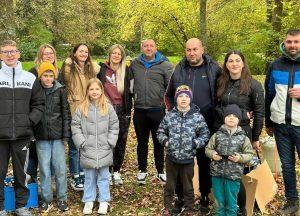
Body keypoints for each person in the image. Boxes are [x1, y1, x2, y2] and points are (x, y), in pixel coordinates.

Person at [165, 38, 221, 213]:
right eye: (188, 50)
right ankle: (180, 197)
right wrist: (174, 116)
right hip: (182, 127)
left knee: (204, 163)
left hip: (207, 125)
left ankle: (204, 196)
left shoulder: (214, 69)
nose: (192, 53)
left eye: (195, 49)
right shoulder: (180, 69)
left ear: (202, 49)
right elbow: (168, 95)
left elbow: (224, 94)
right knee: (181, 163)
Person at [215, 50, 264, 215]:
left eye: (237, 61)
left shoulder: (253, 85)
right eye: (230, 61)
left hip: (242, 133)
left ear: (243, 63)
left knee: (238, 173)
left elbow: (259, 112)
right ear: (226, 64)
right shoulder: (221, 82)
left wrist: (256, 137)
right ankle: (225, 205)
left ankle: (241, 208)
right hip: (222, 133)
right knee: (223, 171)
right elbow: (216, 107)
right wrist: (236, 113)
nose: (234, 64)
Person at [0, 40, 45, 216]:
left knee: (22, 174)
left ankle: (22, 206)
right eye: (5, 52)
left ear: (19, 54)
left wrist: (29, 121)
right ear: (1, 55)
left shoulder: (29, 78)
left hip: (23, 135)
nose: (10, 54)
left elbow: (39, 104)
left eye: (13, 51)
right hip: (0, 136)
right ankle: (1, 207)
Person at [157, 85, 210, 216]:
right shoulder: (170, 115)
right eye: (180, 96)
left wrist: (196, 143)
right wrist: (166, 141)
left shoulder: (197, 117)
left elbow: (205, 133)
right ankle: (168, 207)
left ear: (190, 99)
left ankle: (189, 208)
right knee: (170, 185)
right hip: (171, 157)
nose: (184, 98)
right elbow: (160, 131)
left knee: (188, 186)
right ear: (176, 99)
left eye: (187, 96)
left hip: (188, 158)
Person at [265, 29, 300, 215]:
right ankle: (292, 201)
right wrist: (268, 122)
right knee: (287, 166)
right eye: (289, 42)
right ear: (284, 43)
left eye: (296, 42)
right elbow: (269, 94)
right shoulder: (275, 65)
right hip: (280, 125)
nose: (292, 45)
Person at [71, 78, 119, 215]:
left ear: (101, 90)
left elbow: (114, 125)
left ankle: (104, 200)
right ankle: (89, 200)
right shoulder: (82, 108)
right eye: (91, 89)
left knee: (104, 176)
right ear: (87, 91)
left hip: (104, 148)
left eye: (97, 89)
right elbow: (75, 126)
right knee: (89, 177)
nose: (94, 92)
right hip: (88, 149)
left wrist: (110, 141)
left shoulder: (107, 107)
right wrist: (81, 142)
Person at [130, 39, 173, 184]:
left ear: (156, 48)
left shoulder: (165, 65)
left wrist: (168, 105)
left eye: (151, 46)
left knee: (158, 142)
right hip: (140, 110)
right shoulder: (134, 64)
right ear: (141, 48)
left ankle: (161, 171)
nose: (148, 48)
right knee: (142, 142)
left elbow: (171, 87)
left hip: (157, 110)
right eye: (146, 46)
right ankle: (142, 171)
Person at [61, 43, 100, 190]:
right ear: (75, 53)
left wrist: (89, 62)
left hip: (88, 110)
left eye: (86, 51)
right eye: (80, 51)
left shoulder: (90, 68)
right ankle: (75, 175)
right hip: (73, 110)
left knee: (85, 145)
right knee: (74, 146)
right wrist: (70, 61)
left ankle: (84, 173)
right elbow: (65, 75)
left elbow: (97, 70)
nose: (83, 54)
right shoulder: (69, 68)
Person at [34, 62, 71, 213]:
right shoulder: (36, 90)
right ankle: (47, 199)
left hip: (57, 137)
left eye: (50, 76)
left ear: (54, 76)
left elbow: (66, 114)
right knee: (44, 169)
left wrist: (65, 136)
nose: (48, 79)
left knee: (60, 168)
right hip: (41, 136)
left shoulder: (60, 90)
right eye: (45, 75)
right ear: (40, 76)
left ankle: (62, 198)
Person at [205, 104, 254, 216]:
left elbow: (249, 154)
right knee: (219, 203)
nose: (231, 118)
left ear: (239, 119)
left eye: (234, 116)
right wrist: (212, 154)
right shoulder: (217, 135)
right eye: (228, 115)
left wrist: (240, 158)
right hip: (217, 175)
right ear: (224, 118)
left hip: (233, 177)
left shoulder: (243, 138)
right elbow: (208, 149)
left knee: (232, 204)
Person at [97, 44, 132, 185]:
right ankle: (107, 170)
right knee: (106, 142)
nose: (116, 56)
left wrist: (129, 110)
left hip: (122, 110)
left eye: (119, 54)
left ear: (122, 56)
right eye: (114, 53)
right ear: (110, 54)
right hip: (105, 110)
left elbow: (131, 92)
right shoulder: (101, 69)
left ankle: (116, 171)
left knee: (120, 142)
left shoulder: (127, 70)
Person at [27, 43, 60, 182]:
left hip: (52, 120)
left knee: (50, 155)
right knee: (34, 152)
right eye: (46, 53)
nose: (49, 56)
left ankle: (48, 184)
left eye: (51, 53)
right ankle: (31, 183)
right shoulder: (32, 73)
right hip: (36, 118)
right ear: (40, 55)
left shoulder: (57, 73)